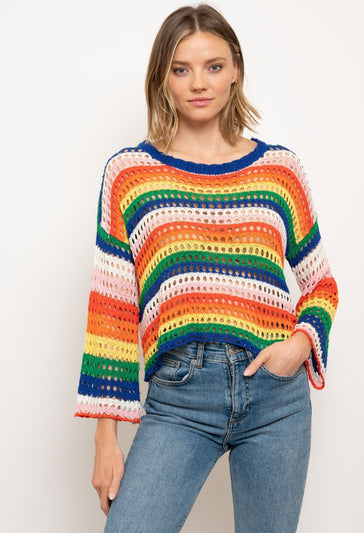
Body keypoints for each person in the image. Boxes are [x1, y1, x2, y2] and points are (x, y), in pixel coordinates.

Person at [74, 3, 339, 532]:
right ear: (163, 78)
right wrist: (106, 438)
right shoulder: (131, 174)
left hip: (276, 396)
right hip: (181, 396)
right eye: (181, 69)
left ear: (235, 69)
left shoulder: (279, 171)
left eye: (214, 66)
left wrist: (298, 345)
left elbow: (321, 283)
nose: (199, 83)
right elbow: (114, 313)